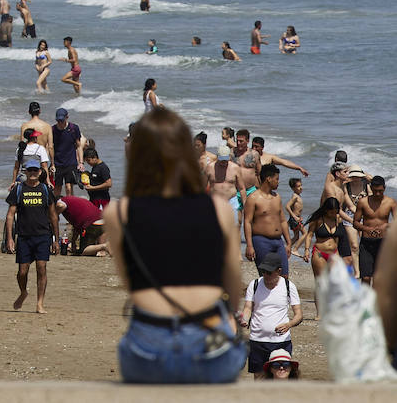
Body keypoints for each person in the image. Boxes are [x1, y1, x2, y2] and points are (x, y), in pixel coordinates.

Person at [101, 107, 246, 384]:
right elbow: (232, 285)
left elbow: (132, 283)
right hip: (208, 344)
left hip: (147, 349)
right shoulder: (219, 209)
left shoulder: (118, 214)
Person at [4, 161, 64, 314]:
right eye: (29, 170)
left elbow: (53, 216)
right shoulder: (19, 189)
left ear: (39, 171)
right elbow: (10, 215)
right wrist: (10, 238)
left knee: (41, 267)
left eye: (35, 170)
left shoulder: (45, 189)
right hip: (24, 235)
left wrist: (56, 240)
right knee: (22, 271)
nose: (32, 172)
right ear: (25, 171)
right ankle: (23, 292)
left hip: (43, 235)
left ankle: (40, 303)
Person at [238, 252, 302, 380]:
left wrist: (289, 324)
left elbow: (299, 314)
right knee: (259, 378)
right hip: (257, 341)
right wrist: (244, 319)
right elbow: (248, 307)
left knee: (281, 378)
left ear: (279, 271)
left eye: (269, 272)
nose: (265, 275)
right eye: (263, 271)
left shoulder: (289, 286)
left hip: (281, 342)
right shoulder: (254, 284)